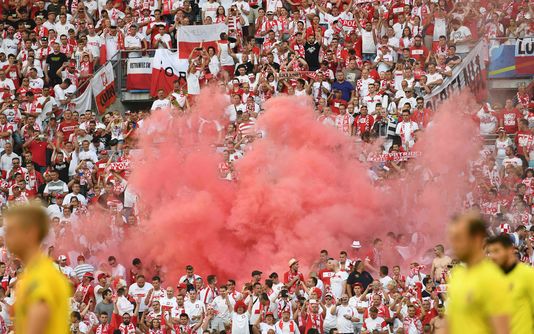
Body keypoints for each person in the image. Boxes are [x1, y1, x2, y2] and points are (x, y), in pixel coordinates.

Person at [4, 204, 71, 333]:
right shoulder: (37, 272)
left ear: (31, 232)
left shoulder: (40, 276)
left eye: (11, 230)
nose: (7, 237)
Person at [447, 211, 511, 334]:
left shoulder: (493, 279)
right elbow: (450, 324)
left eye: (458, 238)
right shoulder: (457, 275)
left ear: (476, 238)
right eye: (451, 238)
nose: (453, 244)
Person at [487, 234, 534, 334]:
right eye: (490, 252)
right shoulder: (492, 279)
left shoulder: (527, 275)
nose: (493, 256)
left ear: (509, 250)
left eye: (496, 251)